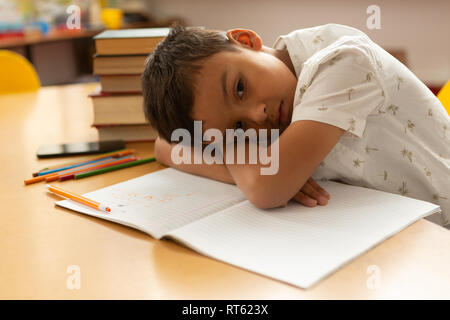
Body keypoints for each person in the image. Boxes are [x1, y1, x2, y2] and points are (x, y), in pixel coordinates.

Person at [142, 24, 450, 227]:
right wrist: (250, 160)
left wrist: (242, 156)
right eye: (237, 127)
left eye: (239, 88)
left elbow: (267, 189)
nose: (257, 115)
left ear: (247, 41)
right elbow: (166, 146)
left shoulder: (344, 62)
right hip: (392, 232)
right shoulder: (271, 112)